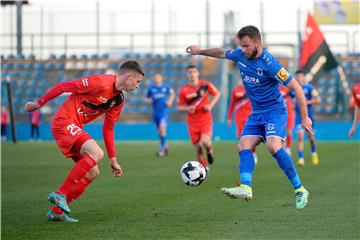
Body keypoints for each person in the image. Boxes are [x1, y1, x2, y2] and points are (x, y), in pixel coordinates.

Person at [186, 25, 313, 209]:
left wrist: (305, 117)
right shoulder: (239, 55)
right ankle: (246, 187)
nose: (243, 50)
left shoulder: (271, 63)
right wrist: (200, 51)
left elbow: (297, 89)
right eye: (241, 46)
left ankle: (300, 189)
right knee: (243, 145)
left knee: (273, 146)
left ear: (257, 43)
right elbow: (221, 53)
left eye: (246, 46)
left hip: (275, 112)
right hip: (256, 114)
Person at [24, 61, 145, 222]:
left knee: (93, 172)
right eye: (138, 82)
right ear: (129, 76)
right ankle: (59, 194)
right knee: (96, 152)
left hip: (73, 126)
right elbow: (64, 86)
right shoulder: (100, 82)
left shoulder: (118, 100)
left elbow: (108, 128)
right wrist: (38, 104)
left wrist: (113, 159)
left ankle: (56, 212)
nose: (137, 86)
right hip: (64, 121)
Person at [177, 65, 220, 171]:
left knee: (205, 141)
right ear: (187, 74)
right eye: (190, 72)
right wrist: (187, 108)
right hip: (192, 122)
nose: (192, 74)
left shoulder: (205, 85)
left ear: (198, 73)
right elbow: (179, 107)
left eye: (194, 72)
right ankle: (204, 167)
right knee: (198, 148)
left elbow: (217, 93)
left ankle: (210, 150)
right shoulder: (184, 90)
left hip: (205, 119)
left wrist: (210, 105)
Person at [227, 77, 258, 164]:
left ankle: (254, 153)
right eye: (240, 79)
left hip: (251, 117)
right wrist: (229, 117)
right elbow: (232, 104)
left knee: (252, 137)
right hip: (239, 118)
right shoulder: (235, 90)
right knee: (242, 138)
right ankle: (244, 156)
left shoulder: (252, 88)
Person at [294, 70, 321, 166]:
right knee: (300, 137)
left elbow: (318, 100)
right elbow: (286, 97)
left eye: (300, 76)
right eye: (297, 76)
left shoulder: (309, 88)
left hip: (309, 116)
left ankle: (313, 152)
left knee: (311, 137)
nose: (299, 78)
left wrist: (306, 102)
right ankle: (301, 158)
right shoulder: (294, 89)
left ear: (303, 77)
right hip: (298, 117)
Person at [145, 73, 175, 156]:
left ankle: (161, 148)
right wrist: (148, 101)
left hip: (163, 112)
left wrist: (170, 101)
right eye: (155, 78)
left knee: (162, 128)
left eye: (158, 78)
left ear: (161, 78)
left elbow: (172, 94)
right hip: (155, 112)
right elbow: (146, 98)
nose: (157, 79)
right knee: (160, 131)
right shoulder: (151, 89)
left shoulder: (166, 87)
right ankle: (165, 145)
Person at [280, 85, 295, 156]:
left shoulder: (289, 89)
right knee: (281, 132)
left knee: (289, 131)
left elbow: (294, 97)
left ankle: (288, 148)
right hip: (280, 114)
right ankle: (282, 146)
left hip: (289, 113)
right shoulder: (276, 89)